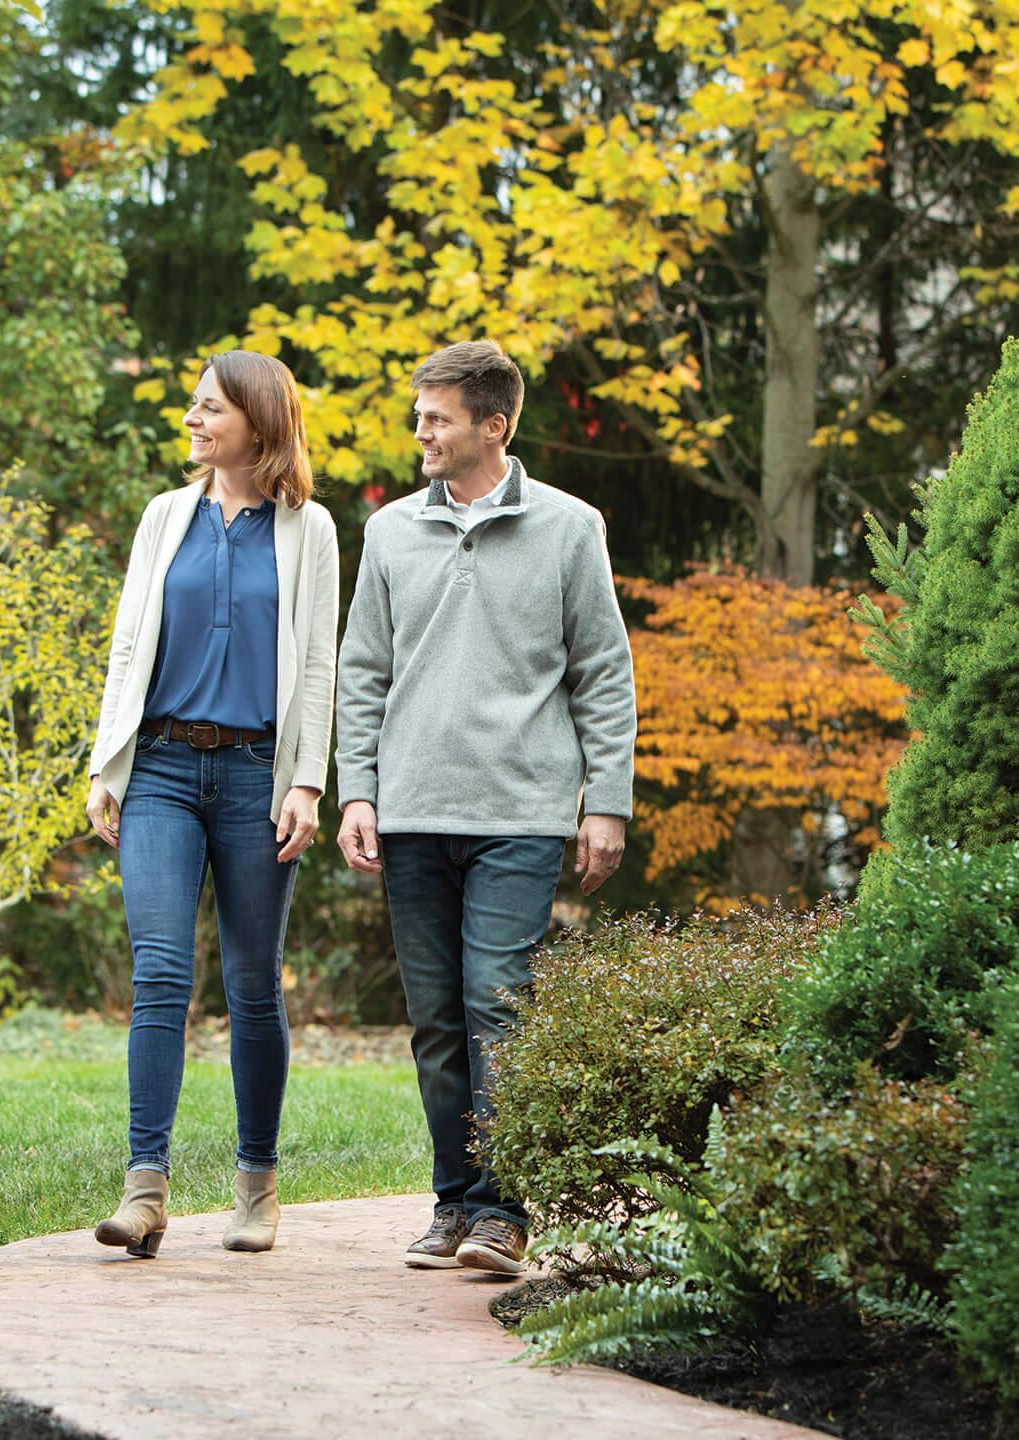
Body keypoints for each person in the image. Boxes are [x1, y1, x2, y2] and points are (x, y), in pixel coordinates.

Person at [335, 340, 637, 1274]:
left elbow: (603, 672)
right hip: (414, 810)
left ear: (493, 426)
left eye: (438, 418)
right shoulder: (389, 532)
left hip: (521, 809)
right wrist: (358, 790)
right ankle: (452, 1203)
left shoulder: (568, 527)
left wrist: (607, 802)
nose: (421, 431)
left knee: (496, 1008)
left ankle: (504, 1211)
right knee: (434, 1020)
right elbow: (362, 675)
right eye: (420, 416)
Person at [84, 350, 340, 1257]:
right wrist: (105, 767)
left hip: (254, 777)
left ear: (258, 422)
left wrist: (307, 780)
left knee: (252, 987)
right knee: (159, 974)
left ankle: (256, 1187)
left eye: (208, 408)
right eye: (193, 408)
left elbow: (317, 665)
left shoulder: (310, 530)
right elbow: (127, 649)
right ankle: (144, 1190)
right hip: (157, 766)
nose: (192, 421)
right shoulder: (165, 518)